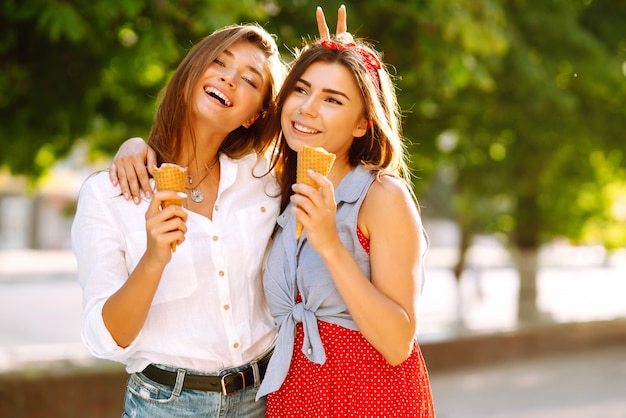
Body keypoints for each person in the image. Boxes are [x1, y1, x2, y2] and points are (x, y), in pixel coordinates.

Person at [72, 8, 348, 416]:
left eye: (249, 79)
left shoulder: (265, 179)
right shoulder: (110, 195)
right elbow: (104, 339)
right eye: (218, 62)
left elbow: (334, 143)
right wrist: (154, 259)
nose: (229, 78)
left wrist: (342, 64)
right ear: (192, 72)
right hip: (167, 404)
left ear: (254, 114)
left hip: (264, 394)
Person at [255, 37, 435, 416]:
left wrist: (329, 243)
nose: (307, 108)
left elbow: (398, 341)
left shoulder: (382, 196)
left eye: (332, 100)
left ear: (362, 124)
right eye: (301, 90)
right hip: (295, 398)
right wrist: (139, 147)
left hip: (369, 400)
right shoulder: (280, 189)